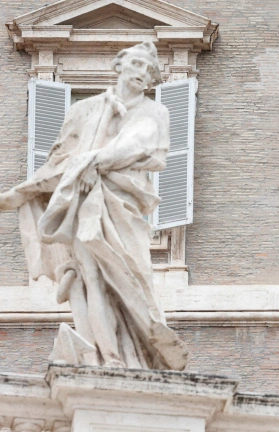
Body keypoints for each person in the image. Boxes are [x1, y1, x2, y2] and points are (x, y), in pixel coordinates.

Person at [0, 41, 188, 370]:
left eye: (149, 70)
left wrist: (91, 162)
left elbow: (140, 145)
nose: (143, 73)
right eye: (137, 64)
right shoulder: (84, 110)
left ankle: (141, 351)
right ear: (119, 65)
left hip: (124, 207)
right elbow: (59, 159)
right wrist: (28, 189)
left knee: (136, 276)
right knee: (93, 281)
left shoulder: (155, 112)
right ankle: (110, 358)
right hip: (85, 206)